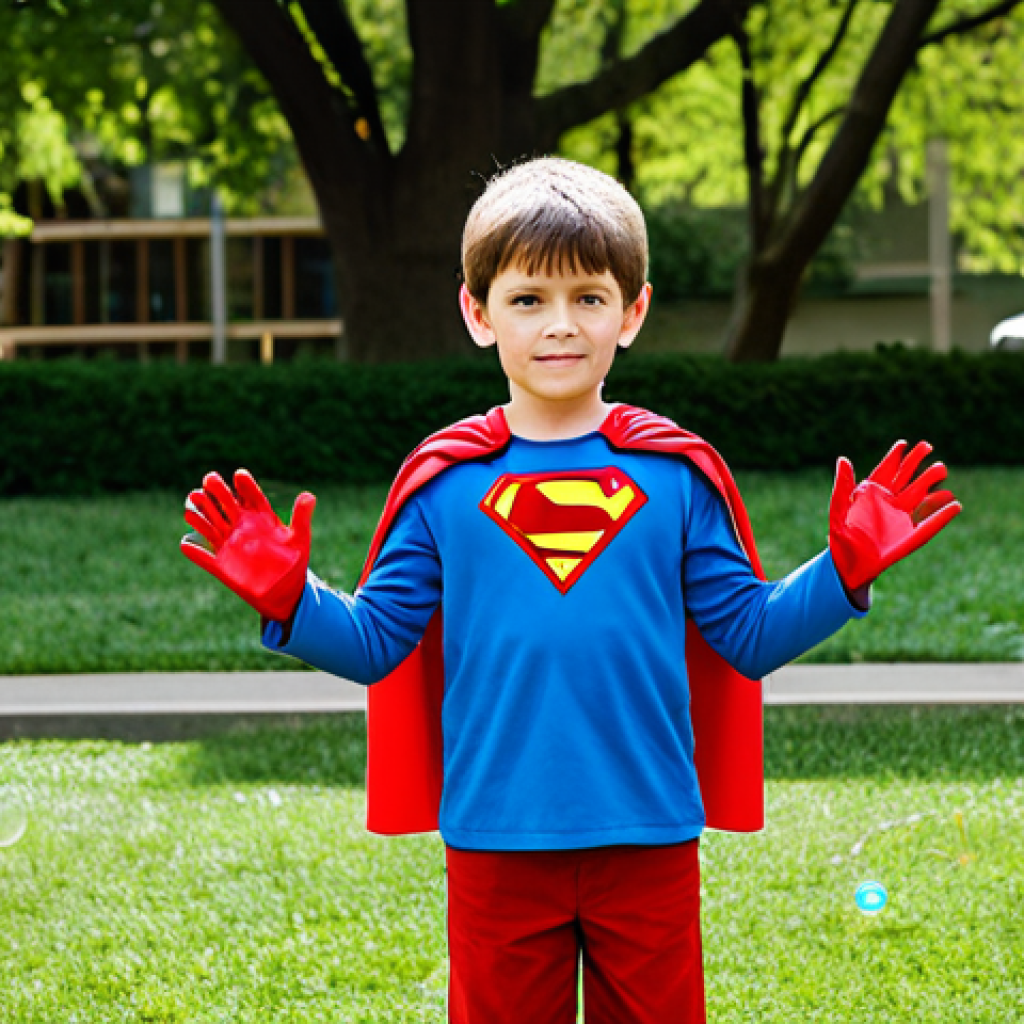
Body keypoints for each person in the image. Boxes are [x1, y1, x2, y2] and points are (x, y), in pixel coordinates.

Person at [180, 158, 961, 1024]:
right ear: (478, 313)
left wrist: (842, 573)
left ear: (633, 312)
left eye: (589, 297)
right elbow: (375, 643)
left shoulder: (675, 474)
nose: (560, 324)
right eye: (528, 299)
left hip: (650, 833)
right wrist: (292, 601)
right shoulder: (445, 482)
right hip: (496, 839)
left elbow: (748, 634)